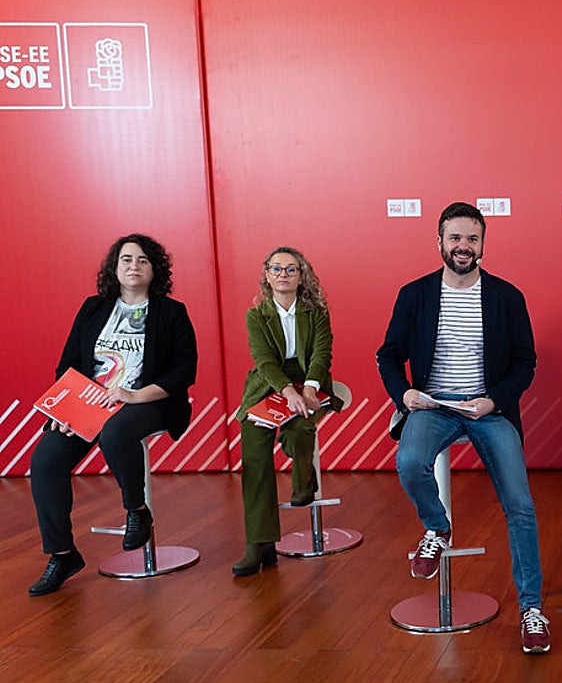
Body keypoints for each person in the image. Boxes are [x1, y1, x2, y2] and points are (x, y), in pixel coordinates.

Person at [377, 201, 549, 654]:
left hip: (487, 408)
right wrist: (405, 395)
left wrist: (493, 399)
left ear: (482, 244)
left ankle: (532, 609)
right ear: (439, 242)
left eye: (472, 238)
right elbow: (388, 354)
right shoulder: (414, 294)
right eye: (455, 238)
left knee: (520, 506)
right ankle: (437, 527)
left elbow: (524, 363)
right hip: (431, 406)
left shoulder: (506, 296)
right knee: (410, 461)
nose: (463, 246)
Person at [28, 234, 198, 596]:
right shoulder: (93, 308)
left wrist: (135, 395)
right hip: (88, 402)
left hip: (147, 400)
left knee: (116, 433)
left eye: (142, 260)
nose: (133, 266)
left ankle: (137, 510)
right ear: (114, 268)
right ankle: (62, 554)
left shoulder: (171, 312)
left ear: (155, 270)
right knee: (45, 460)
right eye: (126, 260)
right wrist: (65, 408)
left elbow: (184, 371)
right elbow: (68, 365)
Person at [232, 247, 341, 575]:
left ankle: (305, 480)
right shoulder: (256, 315)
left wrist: (308, 387)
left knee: (299, 429)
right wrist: (287, 391)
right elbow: (263, 360)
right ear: (266, 275)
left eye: (291, 269)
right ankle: (259, 543)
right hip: (269, 383)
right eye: (276, 268)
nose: (283, 274)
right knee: (254, 453)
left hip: (309, 379)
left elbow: (323, 352)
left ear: (301, 275)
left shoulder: (316, 311)